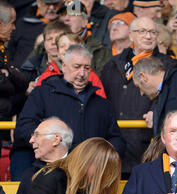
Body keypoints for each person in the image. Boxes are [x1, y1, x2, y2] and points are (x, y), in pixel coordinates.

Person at [13, 44, 125, 180]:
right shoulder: (42, 94)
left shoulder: (102, 104)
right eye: (77, 67)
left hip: (90, 175)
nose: (82, 73)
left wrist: (102, 154)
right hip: (51, 172)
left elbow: (116, 139)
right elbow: (24, 127)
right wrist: (53, 145)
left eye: (87, 68)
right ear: (64, 66)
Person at [101, 16, 177, 178]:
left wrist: (157, 110)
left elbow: (176, 98)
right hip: (116, 150)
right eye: (142, 31)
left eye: (152, 32)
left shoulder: (169, 66)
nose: (148, 36)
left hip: (149, 148)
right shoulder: (112, 65)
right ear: (130, 36)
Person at [13, 117, 73, 194]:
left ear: (56, 140)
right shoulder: (29, 175)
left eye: (36, 135)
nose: (31, 140)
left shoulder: (81, 171)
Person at [35, 32, 106, 98]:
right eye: (62, 46)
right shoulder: (46, 77)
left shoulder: (91, 77)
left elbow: (100, 105)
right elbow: (36, 103)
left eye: (71, 46)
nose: (66, 49)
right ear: (58, 52)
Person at [0, 1, 27, 156]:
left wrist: (8, 74)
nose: (14, 28)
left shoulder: (4, 48)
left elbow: (20, 83)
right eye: (11, 23)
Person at [58, 0, 112, 74]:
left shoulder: (99, 51)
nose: (66, 18)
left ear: (85, 21)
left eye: (73, 14)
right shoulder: (47, 45)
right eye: (63, 14)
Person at [7, 0, 64, 68]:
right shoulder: (22, 22)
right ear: (38, 3)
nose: (51, 7)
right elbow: (10, 51)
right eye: (47, 4)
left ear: (62, 2)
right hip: (17, 72)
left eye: (55, 4)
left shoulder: (68, 23)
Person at [20, 20, 71, 87]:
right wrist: (25, 89)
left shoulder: (77, 67)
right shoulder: (30, 68)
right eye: (49, 39)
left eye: (58, 39)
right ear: (44, 43)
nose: (53, 42)